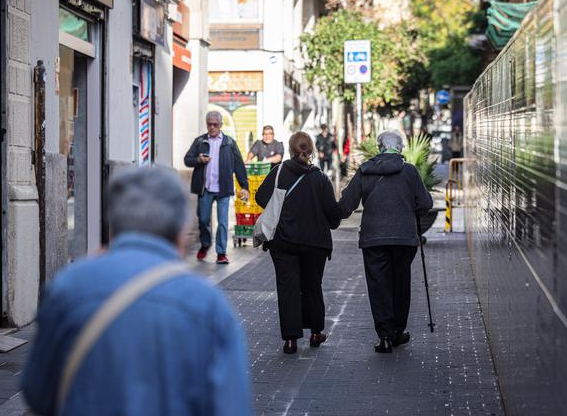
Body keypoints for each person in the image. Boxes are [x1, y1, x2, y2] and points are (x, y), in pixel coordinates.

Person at [21, 166, 264, 416]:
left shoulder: (69, 286)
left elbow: (39, 395)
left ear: (114, 223)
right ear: (183, 228)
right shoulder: (208, 307)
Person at [338, 130, 433, 354]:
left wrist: (324, 216)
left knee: (379, 286)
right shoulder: (409, 171)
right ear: (400, 149)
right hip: (404, 238)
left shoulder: (365, 170)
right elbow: (425, 203)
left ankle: (385, 337)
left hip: (373, 238)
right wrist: (409, 208)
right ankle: (398, 331)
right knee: (400, 282)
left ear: (379, 147)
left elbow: (346, 205)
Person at [255, 131, 341, 354]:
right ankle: (315, 333)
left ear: (291, 150)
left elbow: (260, 198)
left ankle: (291, 340)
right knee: (313, 286)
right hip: (315, 244)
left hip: (283, 242)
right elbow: (333, 217)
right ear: (311, 151)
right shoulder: (321, 179)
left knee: (288, 288)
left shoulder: (279, 172)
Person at [184, 111, 249, 265]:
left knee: (223, 222)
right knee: (204, 220)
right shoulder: (200, 141)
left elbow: (239, 166)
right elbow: (187, 159)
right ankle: (205, 244)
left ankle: (221, 252)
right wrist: (198, 159)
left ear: (220, 125)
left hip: (223, 189)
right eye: (209, 124)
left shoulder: (229, 143)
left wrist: (244, 186)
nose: (212, 127)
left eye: (215, 124)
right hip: (205, 188)